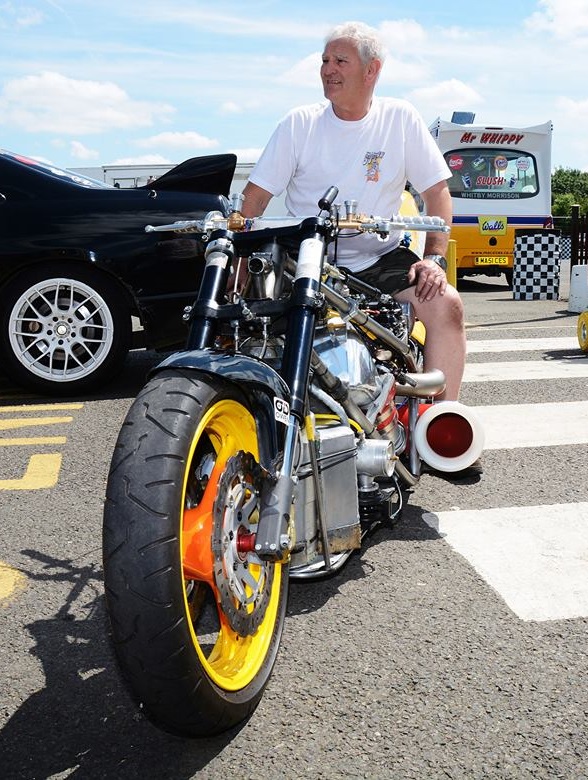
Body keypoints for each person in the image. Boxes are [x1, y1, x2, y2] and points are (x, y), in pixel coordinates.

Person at [241, 21, 481, 476]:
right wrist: (238, 262)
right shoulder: (299, 124)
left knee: (446, 305)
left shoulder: (400, 118)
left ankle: (439, 430)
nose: (328, 69)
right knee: (249, 325)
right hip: (305, 257)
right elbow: (253, 200)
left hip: (378, 256)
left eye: (340, 61)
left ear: (372, 70)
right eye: (325, 61)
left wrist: (434, 260)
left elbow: (437, 194)